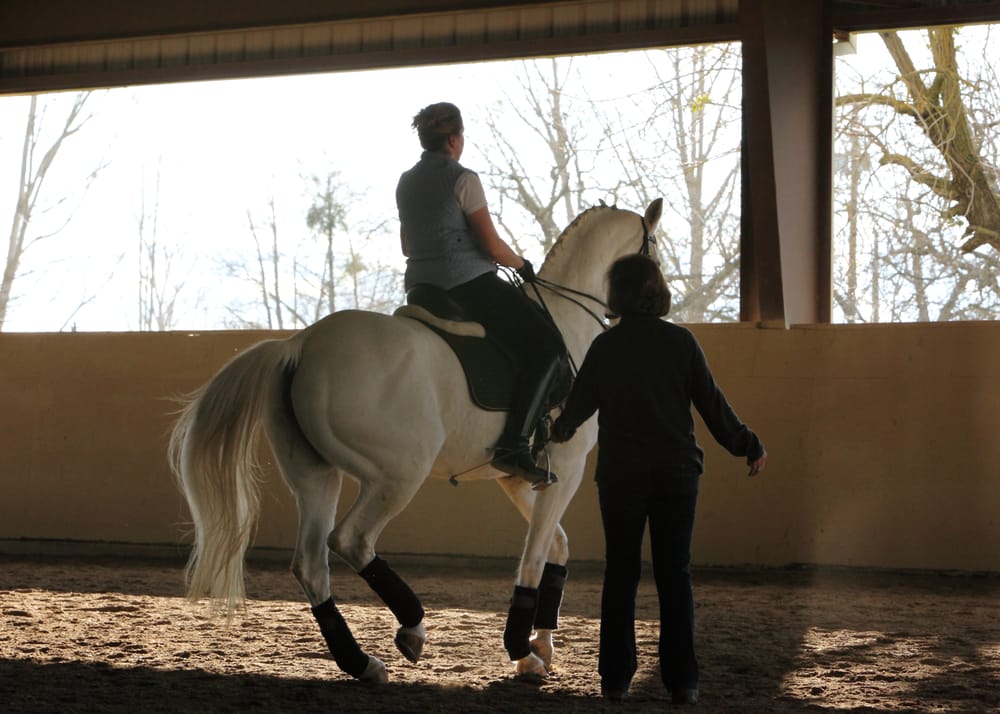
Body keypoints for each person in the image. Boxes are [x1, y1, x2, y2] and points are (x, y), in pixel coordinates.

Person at [550, 253, 767, 705]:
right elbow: (712, 405)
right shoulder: (681, 343)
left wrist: (550, 435)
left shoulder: (605, 347)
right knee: (675, 575)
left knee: (621, 573)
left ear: (617, 294)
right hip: (676, 474)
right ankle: (683, 681)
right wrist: (748, 444)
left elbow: (576, 409)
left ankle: (615, 680)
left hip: (621, 476)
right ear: (657, 291)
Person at [396, 101, 565, 486]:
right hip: (467, 286)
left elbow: (406, 245)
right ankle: (514, 445)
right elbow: (491, 246)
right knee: (548, 349)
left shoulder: (405, 182)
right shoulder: (464, 179)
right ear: (454, 140)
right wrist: (522, 265)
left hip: (420, 289)